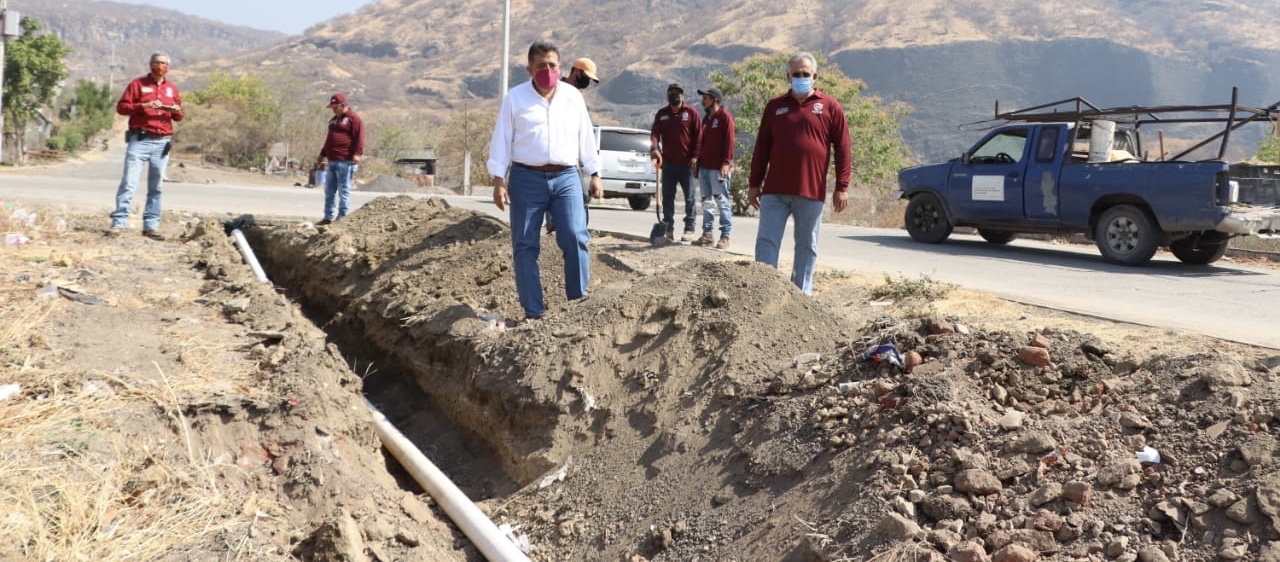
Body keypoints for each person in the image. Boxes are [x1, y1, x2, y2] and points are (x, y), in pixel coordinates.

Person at [488, 41, 604, 321]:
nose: (548, 70)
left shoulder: (573, 97)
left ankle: (578, 305)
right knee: (525, 244)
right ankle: (534, 312)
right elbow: (502, 140)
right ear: (530, 69)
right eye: (541, 65)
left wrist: (595, 174)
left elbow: (585, 135)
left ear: (560, 67)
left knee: (576, 236)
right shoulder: (515, 98)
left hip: (566, 177)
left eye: (552, 65)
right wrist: (498, 180)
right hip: (526, 177)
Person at [748, 52, 851, 296]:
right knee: (766, 243)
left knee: (806, 247)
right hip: (775, 192)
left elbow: (844, 147)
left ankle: (801, 298)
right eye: (797, 74)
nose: (801, 77)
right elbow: (762, 147)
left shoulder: (829, 106)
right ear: (788, 76)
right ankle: (764, 293)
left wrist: (842, 186)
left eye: (806, 74)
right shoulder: (775, 107)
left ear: (815, 77)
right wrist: (754, 184)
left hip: (810, 192)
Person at [110, 52, 184, 240]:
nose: (160, 66)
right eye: (157, 62)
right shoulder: (137, 84)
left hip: (162, 141)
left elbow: (179, 116)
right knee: (129, 182)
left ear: (168, 67)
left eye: (164, 63)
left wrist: (175, 110)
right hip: (140, 139)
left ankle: (151, 226)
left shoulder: (171, 89)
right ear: (150, 64)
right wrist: (144, 105)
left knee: (156, 186)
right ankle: (119, 222)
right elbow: (122, 108)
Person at [546, 56, 602, 234]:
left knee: (580, 201)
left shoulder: (577, 97)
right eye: (586, 77)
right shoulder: (554, 91)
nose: (588, 82)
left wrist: (594, 172)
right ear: (576, 71)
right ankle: (554, 236)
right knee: (553, 203)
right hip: (552, 161)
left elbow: (584, 134)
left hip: (573, 164)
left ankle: (579, 235)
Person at [650, 83, 702, 242]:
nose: (674, 95)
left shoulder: (691, 113)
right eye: (671, 92)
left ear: (683, 96)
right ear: (667, 96)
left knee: (690, 198)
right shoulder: (662, 114)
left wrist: (695, 156)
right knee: (667, 197)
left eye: (678, 93)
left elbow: (699, 136)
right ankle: (668, 228)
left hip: (687, 164)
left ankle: (689, 228)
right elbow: (655, 134)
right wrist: (655, 148)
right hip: (669, 164)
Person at [692, 87, 735, 249]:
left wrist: (726, 162)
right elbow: (701, 142)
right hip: (704, 167)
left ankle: (725, 236)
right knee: (707, 202)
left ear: (715, 100)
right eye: (703, 98)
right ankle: (707, 234)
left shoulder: (725, 117)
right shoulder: (706, 119)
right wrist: (697, 161)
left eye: (706, 98)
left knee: (721, 201)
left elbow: (730, 141)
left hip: (718, 168)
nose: (703, 101)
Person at [314, 93, 364, 225]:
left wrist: (357, 153)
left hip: (345, 160)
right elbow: (329, 139)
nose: (333, 110)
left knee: (344, 190)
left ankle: (342, 218)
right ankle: (327, 217)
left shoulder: (354, 119)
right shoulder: (333, 120)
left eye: (335, 107)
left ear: (343, 105)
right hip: (332, 160)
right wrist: (322, 154)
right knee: (329, 190)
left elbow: (359, 138)